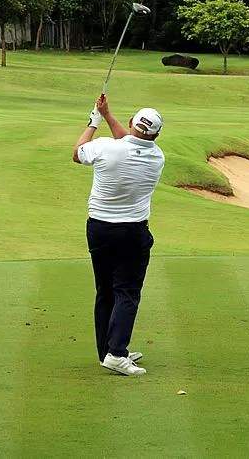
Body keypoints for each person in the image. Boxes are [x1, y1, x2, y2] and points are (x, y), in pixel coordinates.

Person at [73, 96, 165, 376]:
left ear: (130, 123)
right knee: (126, 291)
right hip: (132, 232)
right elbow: (131, 142)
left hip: (99, 229)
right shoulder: (157, 156)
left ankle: (109, 350)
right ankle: (116, 353)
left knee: (105, 291)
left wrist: (95, 121)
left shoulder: (104, 148)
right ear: (156, 135)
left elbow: (78, 153)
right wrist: (107, 115)